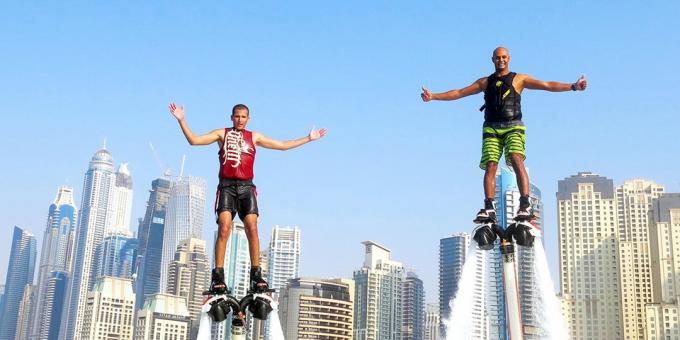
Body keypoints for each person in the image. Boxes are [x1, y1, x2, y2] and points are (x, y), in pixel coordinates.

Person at [169, 102, 327, 294]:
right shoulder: (222, 134)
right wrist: (182, 120)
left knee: (252, 228)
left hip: (246, 188)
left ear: (248, 119)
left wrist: (308, 138)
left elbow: (283, 146)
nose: (240, 120)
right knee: (224, 228)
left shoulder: (255, 137)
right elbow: (194, 140)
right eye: (237, 116)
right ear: (231, 117)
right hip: (227, 187)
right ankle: (218, 276)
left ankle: (256, 274)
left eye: (243, 117)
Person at [421, 47, 587, 223]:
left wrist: (573, 86)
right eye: (498, 57)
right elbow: (459, 92)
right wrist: (433, 96)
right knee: (491, 164)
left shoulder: (519, 79)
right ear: (492, 59)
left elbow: (546, 85)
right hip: (491, 128)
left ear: (509, 58)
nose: (501, 60)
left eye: (504, 57)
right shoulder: (485, 82)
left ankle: (525, 203)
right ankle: (489, 207)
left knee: (516, 158)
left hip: (513, 126)